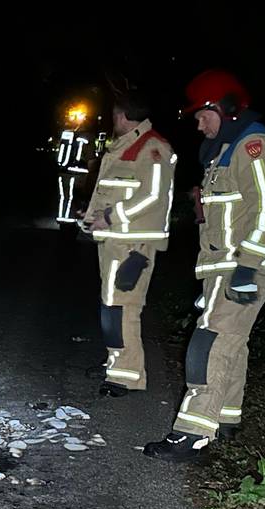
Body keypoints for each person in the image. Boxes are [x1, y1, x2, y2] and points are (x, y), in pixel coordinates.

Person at [144, 69, 265, 462]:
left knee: (210, 343)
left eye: (202, 114)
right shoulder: (224, 152)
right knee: (232, 342)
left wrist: (248, 266)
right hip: (223, 267)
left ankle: (192, 435)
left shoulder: (254, 145)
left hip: (245, 267)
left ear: (225, 108)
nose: (197, 122)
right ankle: (225, 420)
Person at [79, 89, 176, 397]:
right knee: (112, 305)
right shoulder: (124, 146)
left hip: (133, 245)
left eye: (113, 115)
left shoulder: (153, 148)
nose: (112, 120)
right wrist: (92, 216)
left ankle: (128, 376)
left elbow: (152, 195)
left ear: (122, 115)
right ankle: (116, 364)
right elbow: (112, 192)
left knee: (123, 307)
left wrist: (110, 216)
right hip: (114, 241)